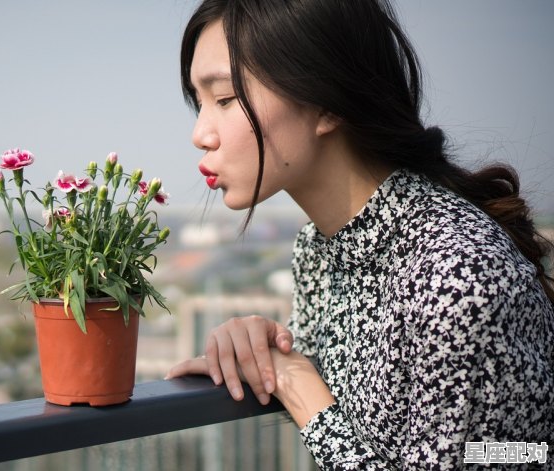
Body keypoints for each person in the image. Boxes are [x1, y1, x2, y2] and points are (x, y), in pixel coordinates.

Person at [165, 0, 554, 468]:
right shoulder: (319, 248)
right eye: (199, 102)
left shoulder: (454, 271)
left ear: (327, 102)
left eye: (225, 99)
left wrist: (300, 387)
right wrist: (264, 349)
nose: (200, 133)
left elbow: (509, 456)